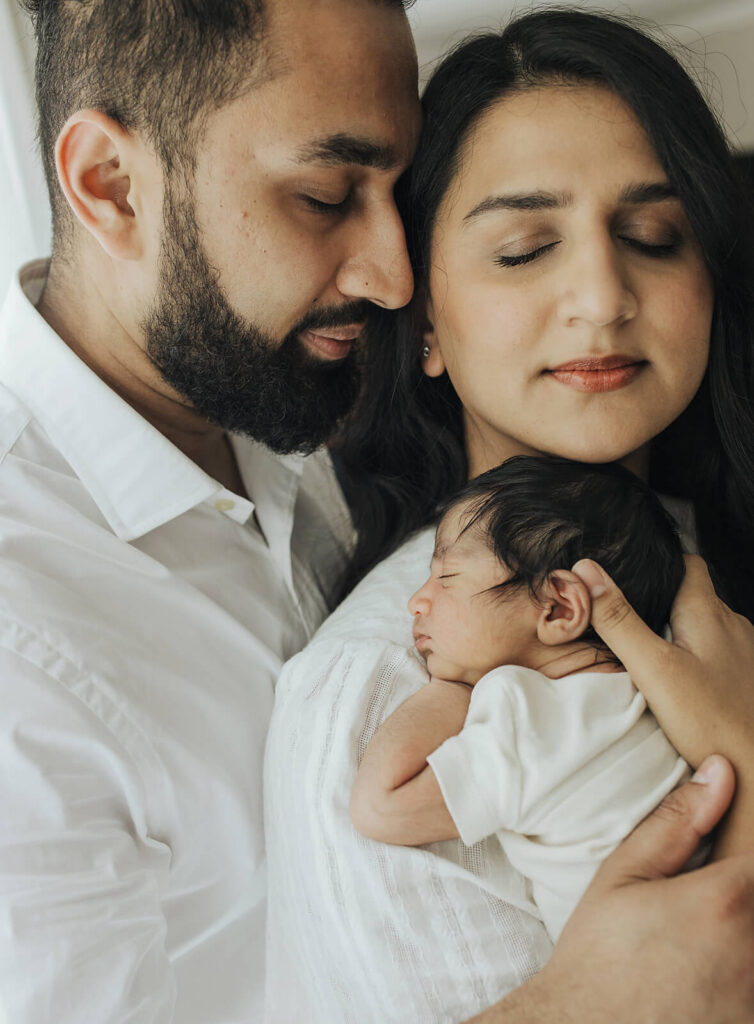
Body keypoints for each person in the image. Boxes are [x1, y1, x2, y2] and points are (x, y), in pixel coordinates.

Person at [2, 1, 754, 1021]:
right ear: (109, 185)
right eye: (322, 195)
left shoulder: (277, 422)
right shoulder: (361, 689)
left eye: (655, 235)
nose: (389, 276)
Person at [263, 9, 754, 1023]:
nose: (601, 295)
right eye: (526, 248)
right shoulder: (380, 693)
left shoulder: (712, 562)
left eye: (652, 236)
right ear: (428, 320)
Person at [351, 456, 690, 944]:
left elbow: (379, 809)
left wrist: (452, 688)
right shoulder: (662, 687)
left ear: (557, 607)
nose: (415, 602)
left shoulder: (523, 713)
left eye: (446, 578)